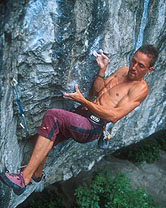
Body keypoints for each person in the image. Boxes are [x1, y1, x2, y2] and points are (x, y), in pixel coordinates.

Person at [0, 44, 159, 195]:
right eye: (133, 61)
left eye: (140, 66)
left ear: (149, 70)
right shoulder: (123, 70)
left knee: (53, 116)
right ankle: (36, 173)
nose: (133, 67)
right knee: (45, 136)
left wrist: (83, 101)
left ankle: (24, 178)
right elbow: (98, 92)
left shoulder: (140, 89)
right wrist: (102, 71)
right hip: (83, 114)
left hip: (93, 125)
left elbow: (114, 116)